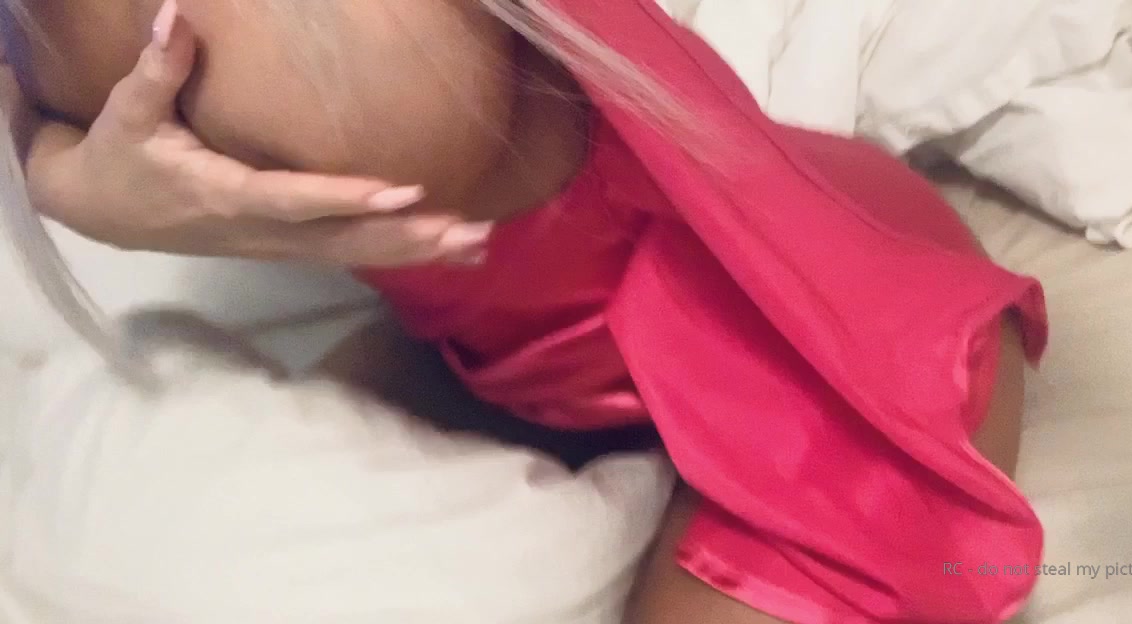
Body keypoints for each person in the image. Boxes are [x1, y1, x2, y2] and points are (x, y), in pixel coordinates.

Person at [1, 0, 1047, 622]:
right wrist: (55, 172)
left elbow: (397, 138)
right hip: (527, 355)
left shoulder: (362, 66)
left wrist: (93, 178)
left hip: (819, 335)